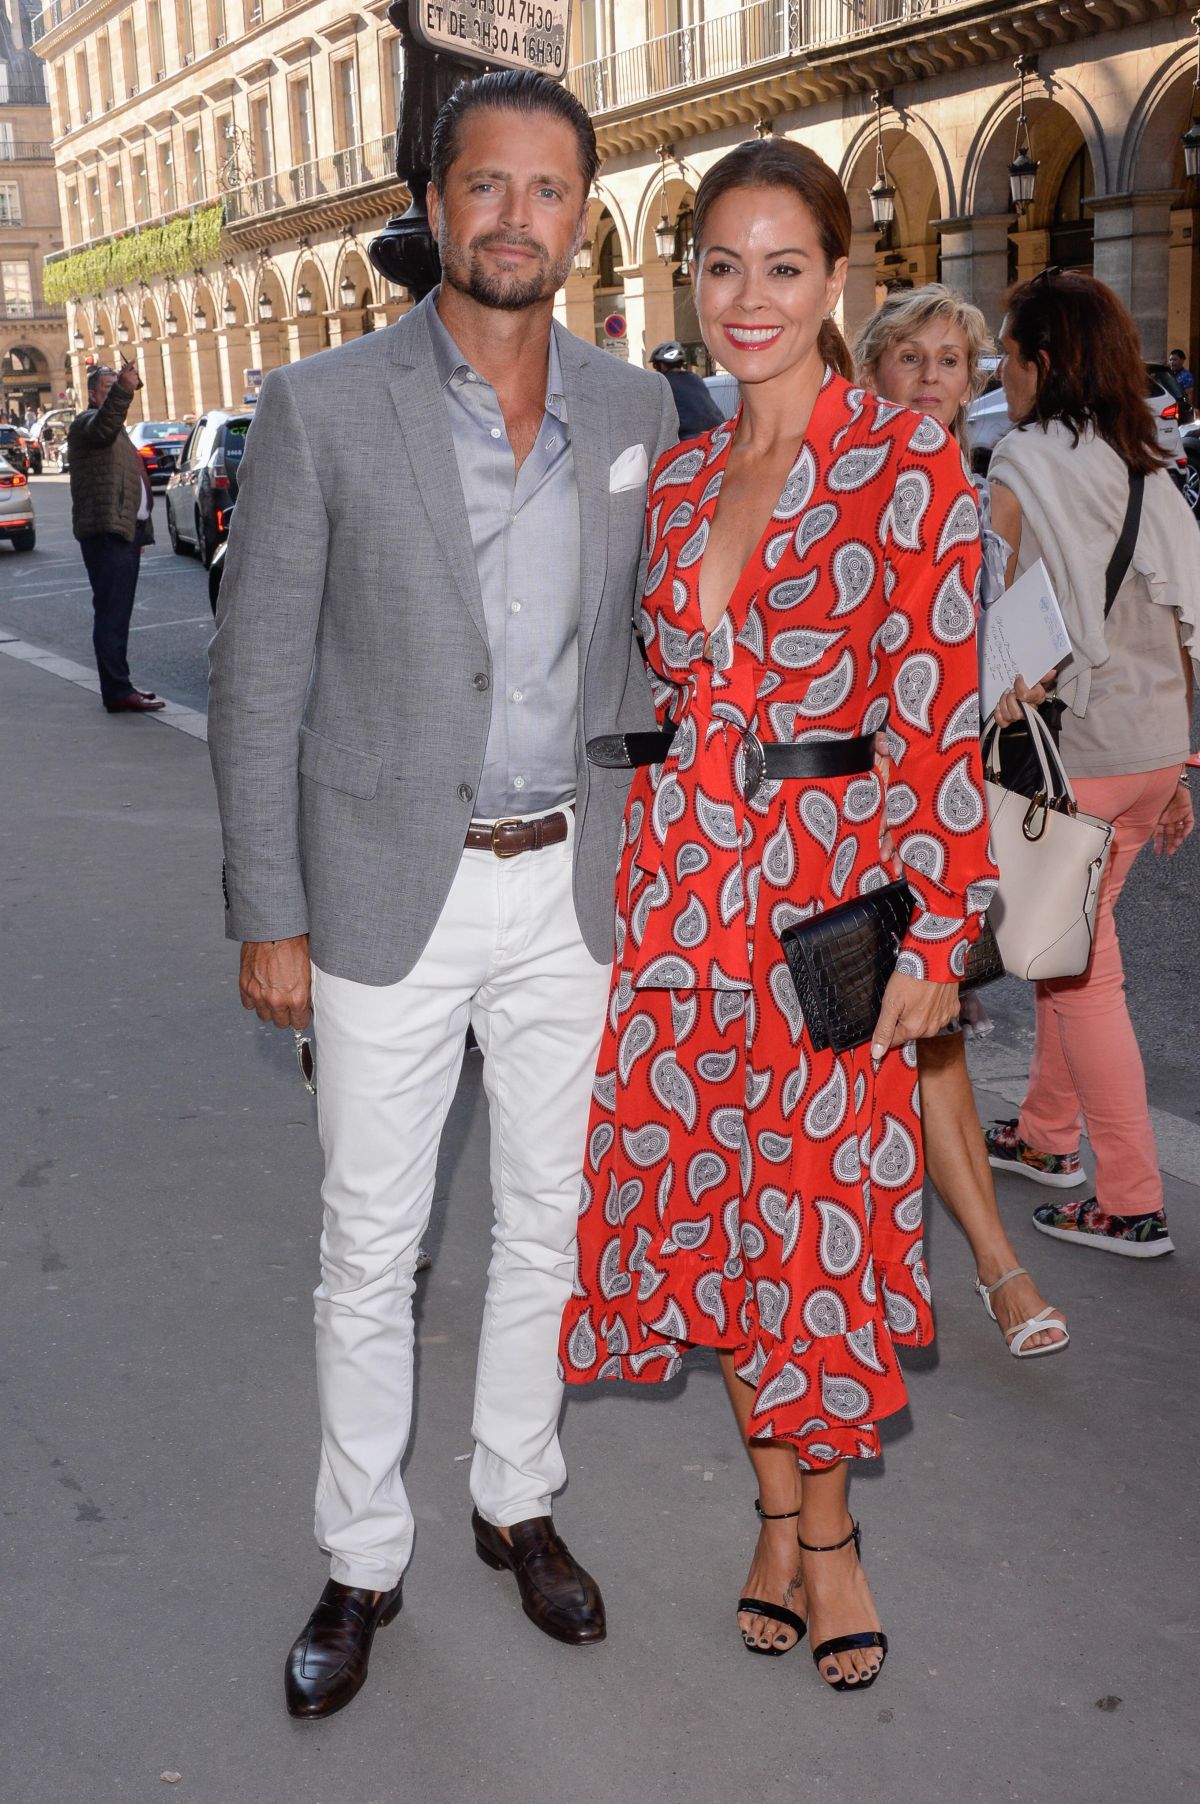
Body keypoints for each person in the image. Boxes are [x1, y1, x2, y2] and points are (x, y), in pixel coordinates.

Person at [208, 70, 678, 1721]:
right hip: (382, 891)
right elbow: (261, 673)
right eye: (485, 186)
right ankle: (360, 1552)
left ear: (579, 216)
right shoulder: (323, 401)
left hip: (574, 888)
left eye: (549, 192)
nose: (514, 218)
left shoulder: (635, 415)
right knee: (370, 1245)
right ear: (432, 198)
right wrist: (269, 907)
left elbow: (657, 653)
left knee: (548, 1224)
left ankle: (514, 1499)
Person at [560, 140, 997, 1693]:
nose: (752, 298)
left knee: (821, 1235)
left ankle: (829, 1544)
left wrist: (940, 939)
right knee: (738, 1243)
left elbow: (943, 720)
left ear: (842, 282)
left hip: (828, 917)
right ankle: (770, 1517)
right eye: (725, 267)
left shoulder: (905, 464)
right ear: (694, 282)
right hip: (685, 906)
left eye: (785, 267)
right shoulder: (679, 474)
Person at [852, 284, 1067, 1359]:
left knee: (925, 1043)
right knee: (919, 1043)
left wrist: (1015, 683)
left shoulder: (990, 501)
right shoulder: (840, 487)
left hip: (951, 805)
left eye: (954, 361)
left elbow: (984, 644)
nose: (934, 378)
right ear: (873, 371)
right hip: (857, 809)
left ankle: (966, 1272)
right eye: (912, 358)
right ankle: (997, 1271)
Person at [982, 271, 1198, 1257]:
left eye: (1005, 352)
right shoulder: (1146, 458)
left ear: (1044, 361)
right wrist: (1181, 765)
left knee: (1082, 972)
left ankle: (1129, 1195)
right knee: (1067, 945)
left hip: (1078, 756)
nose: (997, 371)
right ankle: (1042, 1133)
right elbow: (1185, 615)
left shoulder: (1021, 459)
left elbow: (991, 613)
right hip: (1153, 745)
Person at [67, 362, 164, 714]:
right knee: (111, 614)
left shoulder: (114, 428)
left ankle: (120, 685)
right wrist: (123, 389)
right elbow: (104, 424)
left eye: (117, 388)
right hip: (106, 532)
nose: (114, 395)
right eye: (108, 389)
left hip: (122, 532)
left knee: (117, 615)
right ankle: (118, 691)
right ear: (92, 395)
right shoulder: (86, 425)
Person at [648, 340, 725, 437]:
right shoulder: (695, 378)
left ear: (662, 365)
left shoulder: (663, 383)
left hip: (688, 438)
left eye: (656, 365)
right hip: (716, 434)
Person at [1167, 347, 1193, 423]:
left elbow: (1189, 394)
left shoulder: (1186, 375)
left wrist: (1189, 409)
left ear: (1182, 360)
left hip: (1180, 408)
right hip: (1167, 406)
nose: (1172, 362)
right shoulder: (1167, 375)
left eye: (1175, 360)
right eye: (1170, 360)